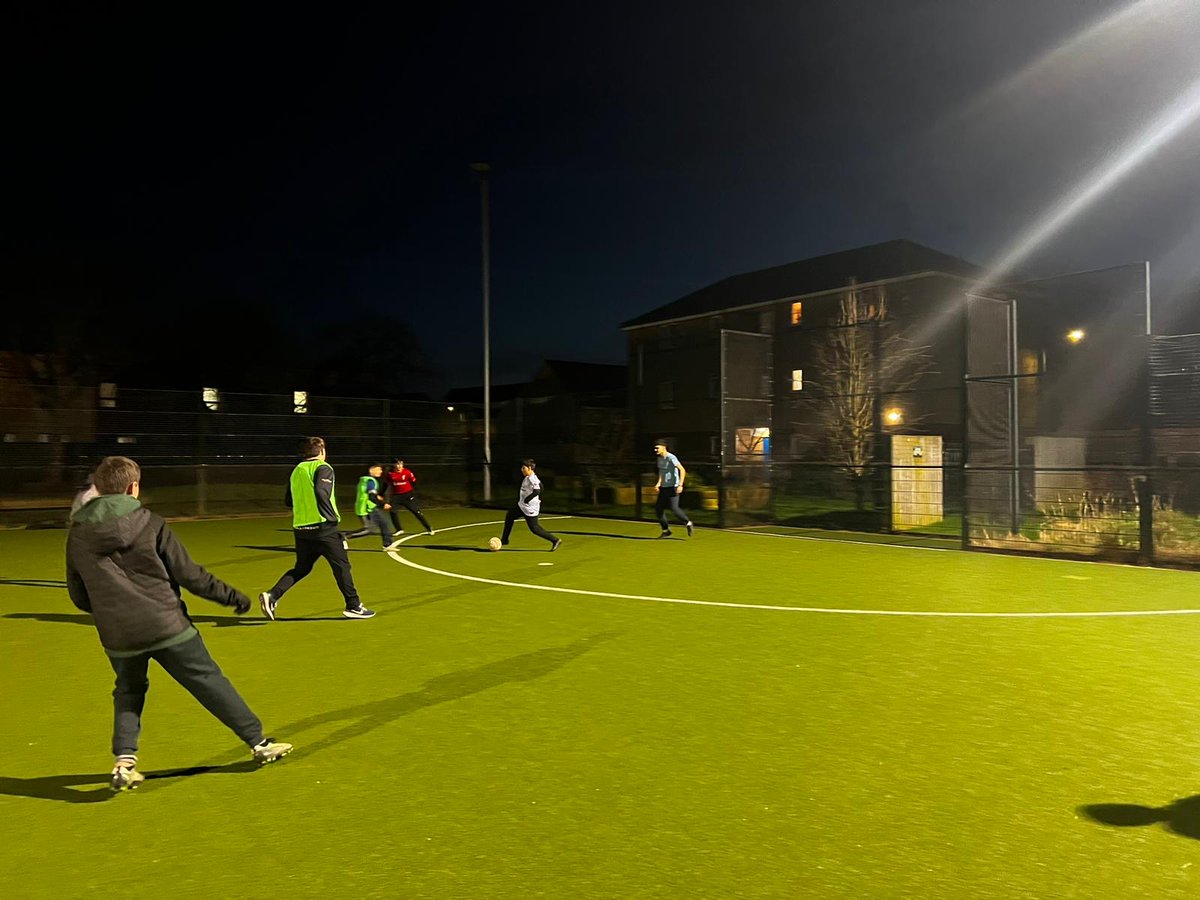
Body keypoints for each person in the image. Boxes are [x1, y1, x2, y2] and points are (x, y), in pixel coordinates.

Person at [65, 455, 292, 792]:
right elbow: (189, 575)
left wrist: (108, 611)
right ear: (133, 487)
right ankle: (258, 743)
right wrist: (231, 597)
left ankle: (124, 761)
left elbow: (78, 595)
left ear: (97, 488)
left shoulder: (78, 535)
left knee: (128, 691)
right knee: (208, 681)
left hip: (118, 635)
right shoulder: (151, 523)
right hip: (167, 625)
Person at [259, 437, 375, 620]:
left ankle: (272, 595)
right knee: (342, 566)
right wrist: (330, 518)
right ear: (321, 451)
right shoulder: (323, 467)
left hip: (301, 528)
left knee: (302, 567)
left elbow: (288, 500)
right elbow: (322, 492)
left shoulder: (297, 470)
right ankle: (354, 606)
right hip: (323, 528)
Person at [500, 458, 561, 551]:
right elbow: (541, 486)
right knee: (509, 516)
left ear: (529, 468)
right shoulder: (529, 477)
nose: (521, 469)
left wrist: (528, 499)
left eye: (523, 468)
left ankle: (555, 540)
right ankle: (504, 539)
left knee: (535, 529)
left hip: (529, 508)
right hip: (522, 506)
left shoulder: (532, 478)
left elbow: (537, 490)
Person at [384, 457, 434, 538]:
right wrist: (384, 497)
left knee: (416, 512)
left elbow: (414, 482)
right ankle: (399, 529)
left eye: (400, 464)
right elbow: (386, 485)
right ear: (394, 465)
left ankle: (428, 528)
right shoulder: (390, 474)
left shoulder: (407, 472)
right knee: (393, 511)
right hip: (396, 496)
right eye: (397, 464)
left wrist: (412, 493)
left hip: (407, 495)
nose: (399, 466)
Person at [653, 439, 694, 538]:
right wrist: (658, 484)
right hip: (664, 487)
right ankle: (666, 530)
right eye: (654, 448)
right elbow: (661, 472)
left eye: (657, 448)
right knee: (659, 509)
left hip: (673, 487)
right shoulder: (659, 459)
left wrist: (680, 485)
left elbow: (682, 470)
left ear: (664, 447)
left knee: (674, 509)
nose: (655, 450)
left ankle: (688, 523)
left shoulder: (671, 458)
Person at [346, 463, 393, 550]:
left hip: (366, 507)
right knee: (369, 530)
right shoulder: (371, 481)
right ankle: (344, 537)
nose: (381, 471)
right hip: (367, 509)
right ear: (371, 470)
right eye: (378, 469)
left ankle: (387, 544)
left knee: (383, 524)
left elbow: (367, 493)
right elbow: (371, 496)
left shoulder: (364, 480)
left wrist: (377, 497)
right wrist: (383, 504)